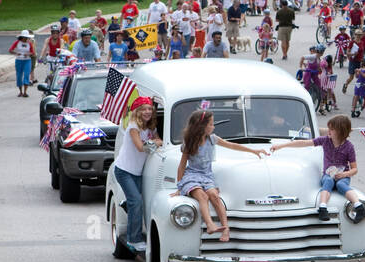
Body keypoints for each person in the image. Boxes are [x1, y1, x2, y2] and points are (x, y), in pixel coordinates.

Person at [170, 109, 265, 241]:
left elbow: (232, 146)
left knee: (214, 196)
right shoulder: (189, 143)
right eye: (211, 124)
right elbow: (182, 166)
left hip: (207, 176)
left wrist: (254, 151)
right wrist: (180, 187)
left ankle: (225, 228)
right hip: (191, 176)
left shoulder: (213, 139)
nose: (213, 127)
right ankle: (210, 225)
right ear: (201, 126)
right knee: (202, 196)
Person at [269, 113, 365, 223]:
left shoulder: (349, 147)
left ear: (340, 131)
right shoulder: (325, 140)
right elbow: (304, 143)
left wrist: (344, 174)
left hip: (342, 176)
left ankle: (359, 205)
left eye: (331, 129)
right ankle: (322, 207)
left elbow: (355, 169)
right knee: (327, 181)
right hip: (328, 174)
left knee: (341, 184)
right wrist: (281, 146)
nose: (328, 131)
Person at [113, 97, 159, 251]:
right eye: (143, 109)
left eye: (149, 109)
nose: (147, 112)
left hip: (137, 171)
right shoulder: (134, 127)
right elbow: (141, 147)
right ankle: (134, 239)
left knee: (136, 202)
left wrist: (154, 141)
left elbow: (158, 139)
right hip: (124, 170)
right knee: (137, 202)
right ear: (137, 111)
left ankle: (127, 204)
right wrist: (154, 142)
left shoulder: (150, 127)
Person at [9, 31, 36, 96]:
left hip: (27, 60)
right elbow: (10, 50)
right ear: (22, 37)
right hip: (19, 60)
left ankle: (25, 92)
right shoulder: (17, 42)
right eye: (25, 37)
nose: (26, 39)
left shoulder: (29, 43)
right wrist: (16, 53)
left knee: (26, 75)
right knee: (19, 76)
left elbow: (33, 52)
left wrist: (28, 54)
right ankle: (20, 91)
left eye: (27, 37)